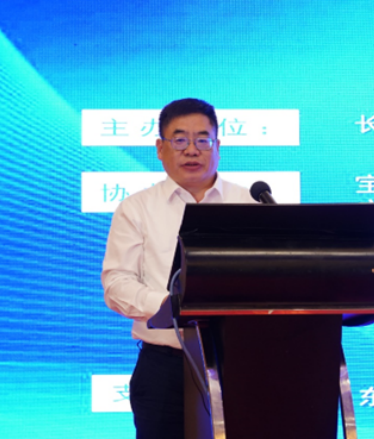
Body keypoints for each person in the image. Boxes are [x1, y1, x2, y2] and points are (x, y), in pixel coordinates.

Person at [101, 98, 256, 439]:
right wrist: (172, 306)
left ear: (218, 146)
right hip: (165, 367)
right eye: (180, 139)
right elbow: (117, 284)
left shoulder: (250, 204)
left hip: (242, 363)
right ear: (160, 148)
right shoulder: (137, 208)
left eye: (203, 140)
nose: (192, 150)